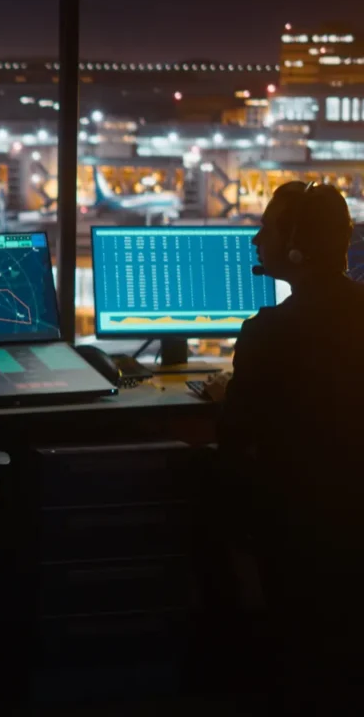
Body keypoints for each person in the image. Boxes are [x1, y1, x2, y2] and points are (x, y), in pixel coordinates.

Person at [200, 181, 364, 713]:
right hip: (348, 521)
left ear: (293, 243)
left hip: (300, 528)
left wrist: (232, 392)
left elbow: (236, 438)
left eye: (266, 226)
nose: (254, 239)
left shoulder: (270, 332)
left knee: (199, 488)